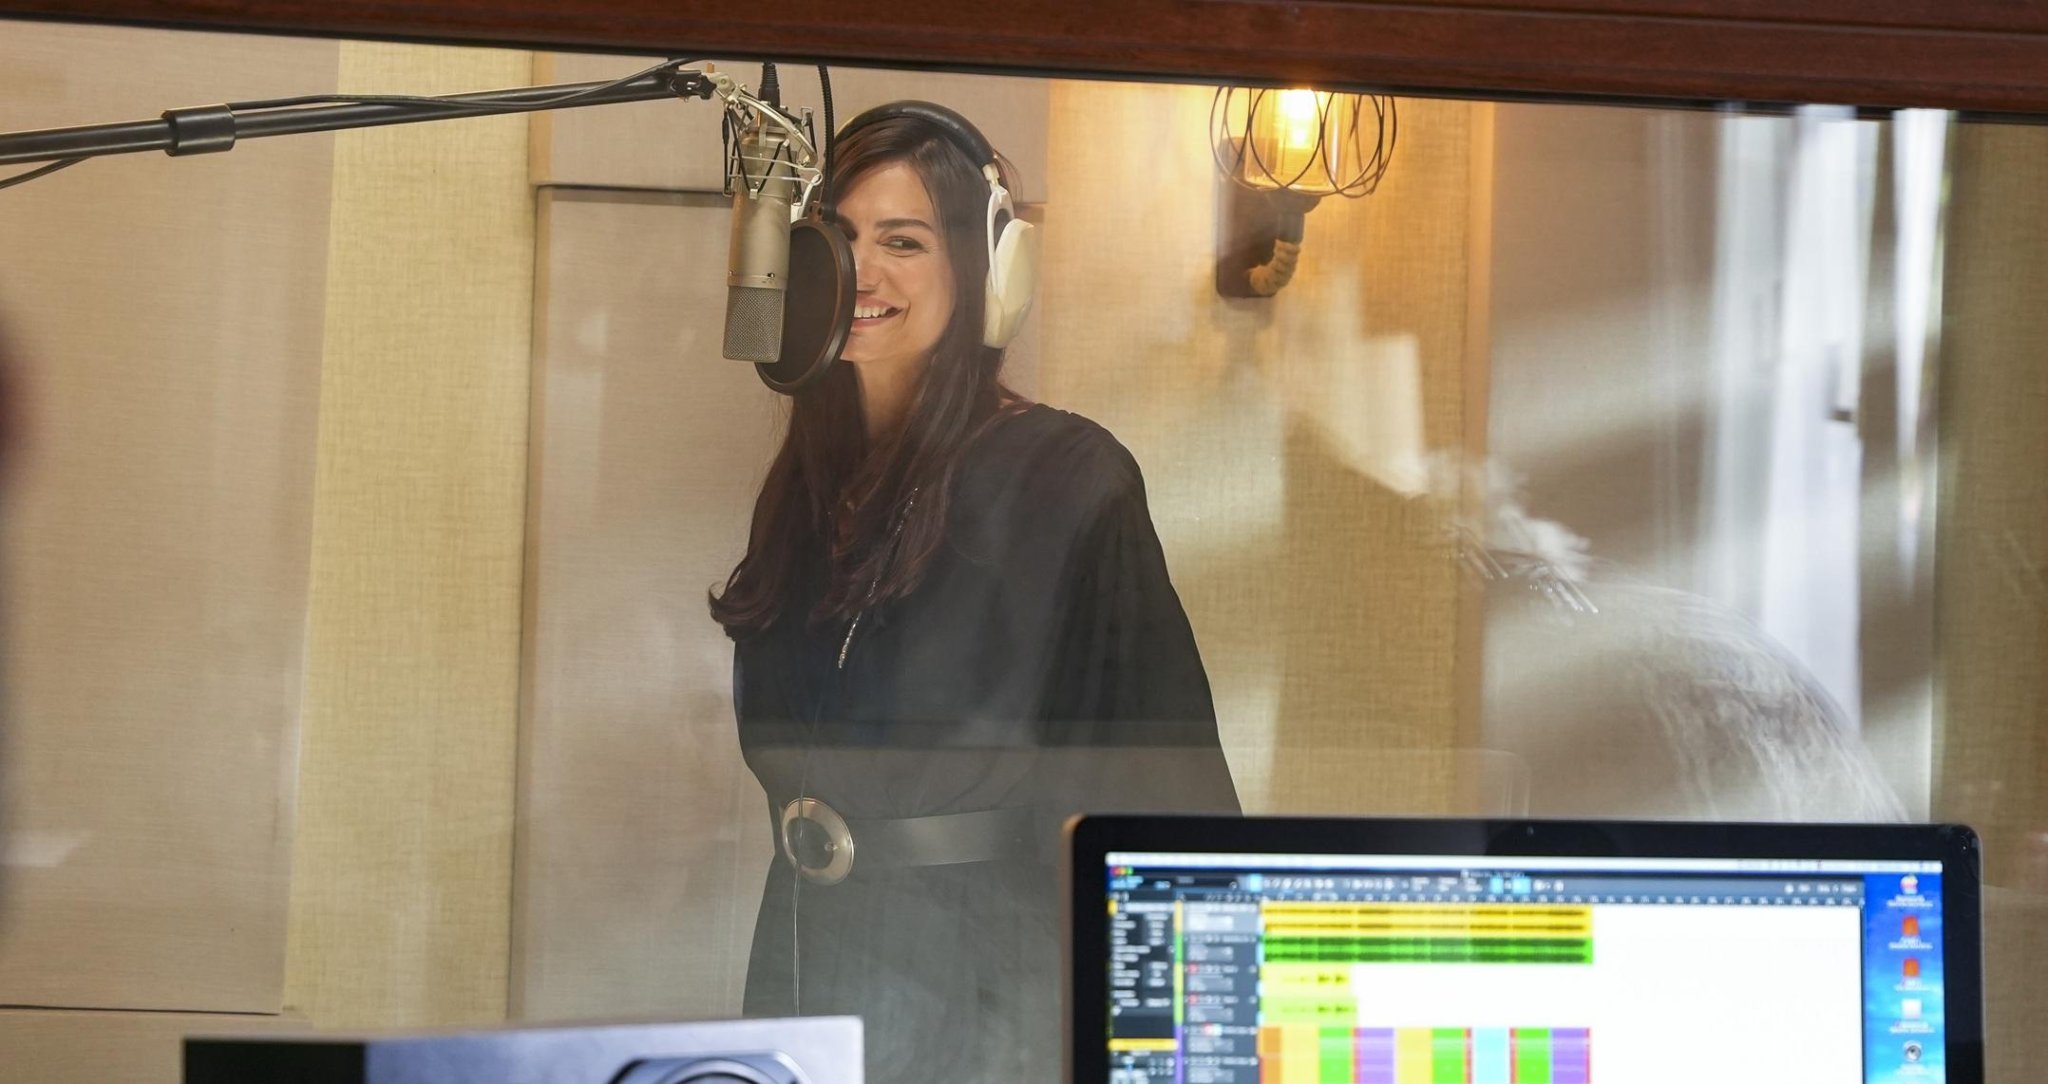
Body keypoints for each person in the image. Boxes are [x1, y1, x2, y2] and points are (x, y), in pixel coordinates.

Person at [710, 102, 1240, 1081]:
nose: (863, 273)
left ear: (988, 272)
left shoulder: (1065, 477)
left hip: (984, 988)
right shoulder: (811, 483)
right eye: (842, 239)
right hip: (805, 948)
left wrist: (1188, 1043)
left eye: (903, 242)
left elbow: (1161, 787)